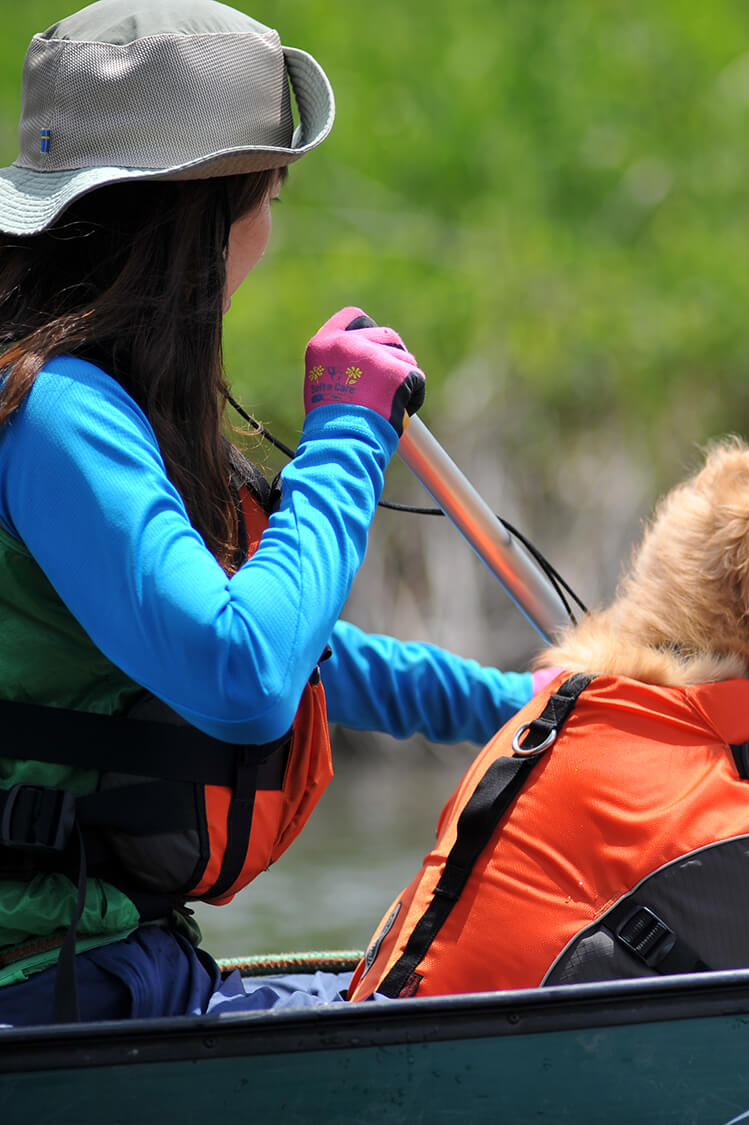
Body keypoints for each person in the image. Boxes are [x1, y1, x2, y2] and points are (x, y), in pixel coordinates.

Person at [0, 0, 541, 1026]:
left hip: (106, 967)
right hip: (53, 990)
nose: (269, 233)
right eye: (269, 199)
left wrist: (535, 709)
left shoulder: (73, 393)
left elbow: (302, 653)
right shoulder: (55, 415)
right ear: (204, 221)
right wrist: (345, 436)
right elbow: (243, 676)